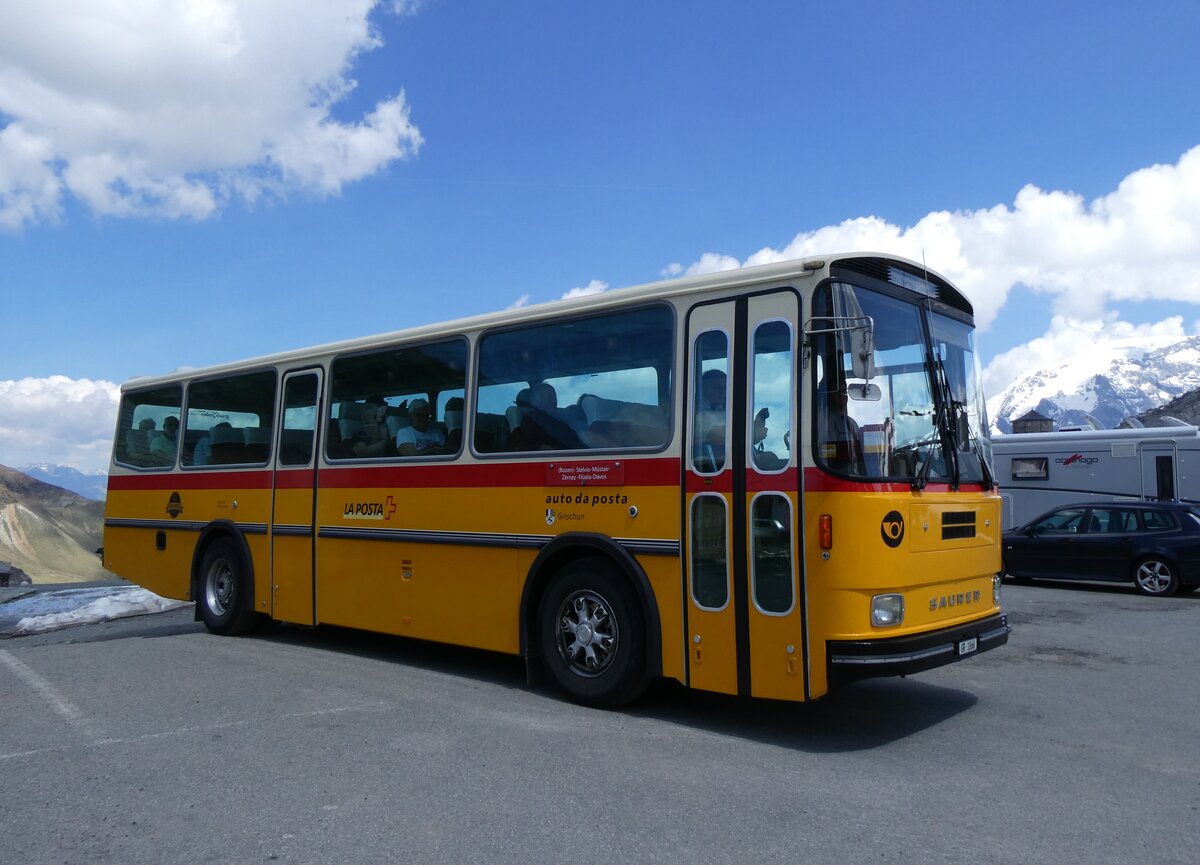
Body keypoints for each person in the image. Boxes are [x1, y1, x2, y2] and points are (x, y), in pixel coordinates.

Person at [511, 383, 582, 450]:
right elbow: (523, 446)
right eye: (549, 397)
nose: (554, 400)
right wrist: (540, 447)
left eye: (555, 396)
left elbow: (574, 441)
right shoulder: (531, 419)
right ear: (537, 401)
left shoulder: (560, 418)